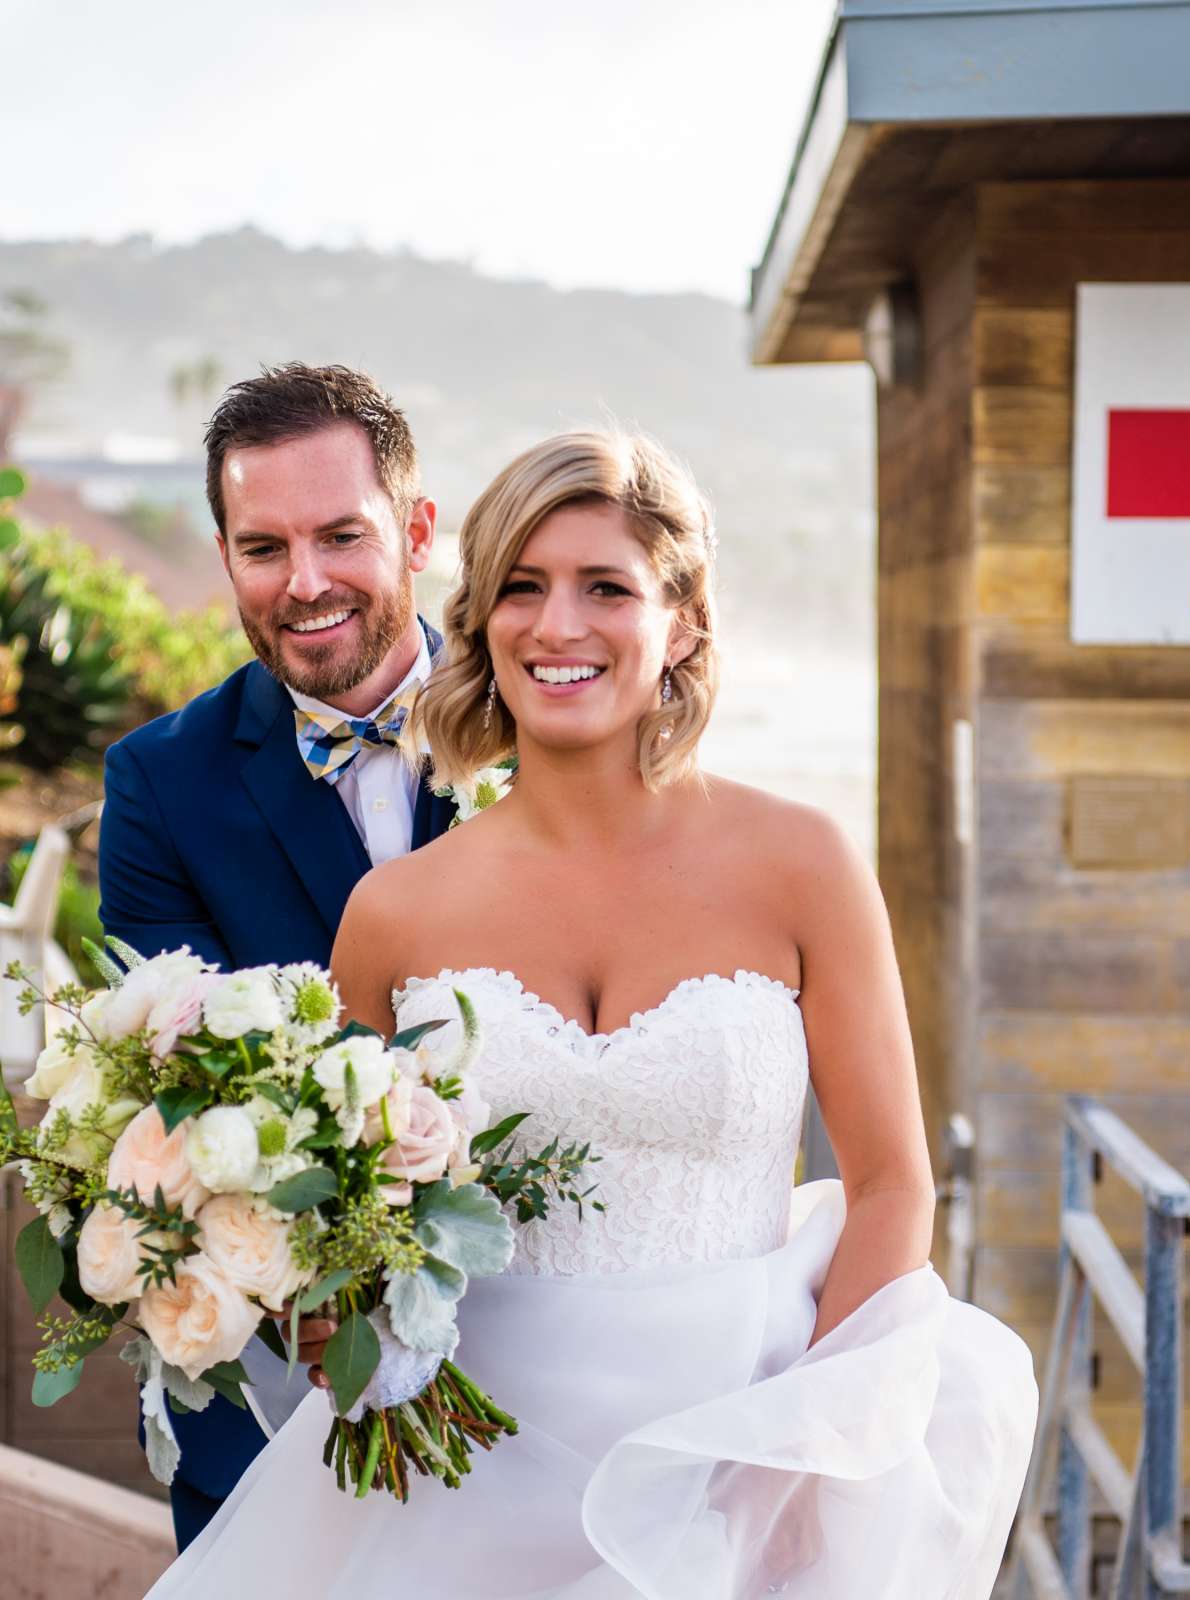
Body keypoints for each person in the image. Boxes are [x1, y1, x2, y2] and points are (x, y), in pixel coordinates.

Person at [146, 430, 1037, 1598]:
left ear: (684, 622)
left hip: (740, 1472)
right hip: (456, 1493)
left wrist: (795, 1458)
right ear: (482, 623)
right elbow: (343, 1220)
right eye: (521, 585)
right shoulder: (394, 914)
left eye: (606, 587)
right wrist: (331, 1317)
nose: (557, 625)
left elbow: (890, 1187)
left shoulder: (805, 864)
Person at [96, 362, 455, 1548]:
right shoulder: (161, 783)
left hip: (556, 1397)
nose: (305, 585)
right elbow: (174, 1098)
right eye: (263, 547)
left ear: (414, 529)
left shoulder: (551, 721)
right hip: (267, 1410)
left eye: (341, 536)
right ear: (225, 554)